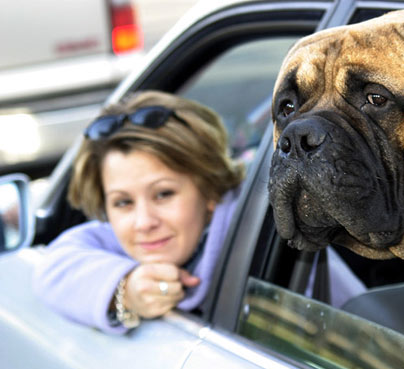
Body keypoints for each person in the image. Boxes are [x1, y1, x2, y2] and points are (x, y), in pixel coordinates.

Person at [33, 90, 245, 334]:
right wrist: (126, 290)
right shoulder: (121, 238)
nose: (144, 223)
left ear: (210, 191)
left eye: (163, 194)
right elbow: (53, 267)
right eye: (123, 202)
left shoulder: (252, 227)